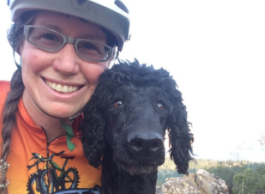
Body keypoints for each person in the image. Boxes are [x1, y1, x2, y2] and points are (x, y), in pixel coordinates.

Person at [0, 0, 130, 193]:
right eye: (49, 37)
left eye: (89, 45)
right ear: (19, 44)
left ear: (109, 61)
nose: (67, 65)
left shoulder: (115, 139)